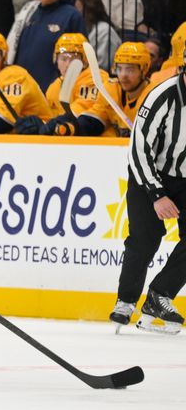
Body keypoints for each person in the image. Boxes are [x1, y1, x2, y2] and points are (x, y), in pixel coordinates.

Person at [108, 46, 186, 335]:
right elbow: (138, 149)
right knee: (145, 239)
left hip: (185, 177)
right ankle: (126, 300)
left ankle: (159, 296)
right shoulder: (161, 96)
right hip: (148, 174)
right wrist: (157, 194)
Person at [7, 0, 87, 92]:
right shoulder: (28, 12)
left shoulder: (72, 16)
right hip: (21, 93)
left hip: (52, 95)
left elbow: (82, 61)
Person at [15, 32, 107, 135]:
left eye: (74, 59)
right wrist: (41, 123)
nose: (68, 64)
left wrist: (53, 124)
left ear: (84, 60)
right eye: (63, 59)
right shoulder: (54, 87)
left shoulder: (95, 77)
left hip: (99, 143)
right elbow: (52, 121)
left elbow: (81, 112)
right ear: (56, 60)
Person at [76, 41, 152, 136]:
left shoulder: (154, 96)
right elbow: (95, 120)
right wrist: (73, 127)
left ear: (144, 70)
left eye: (130, 69)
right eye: (119, 69)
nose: (123, 75)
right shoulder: (112, 89)